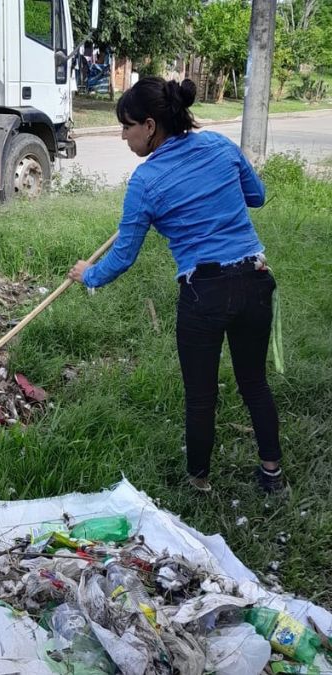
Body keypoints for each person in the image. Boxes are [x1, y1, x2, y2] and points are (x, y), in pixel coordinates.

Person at [67, 77, 282, 493]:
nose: (122, 135)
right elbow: (257, 196)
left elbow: (123, 258)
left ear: (150, 126)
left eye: (127, 126)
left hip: (205, 291)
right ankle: (272, 475)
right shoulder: (219, 146)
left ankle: (199, 482)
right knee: (253, 381)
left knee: (201, 395)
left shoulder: (146, 182)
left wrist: (86, 275)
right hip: (255, 278)